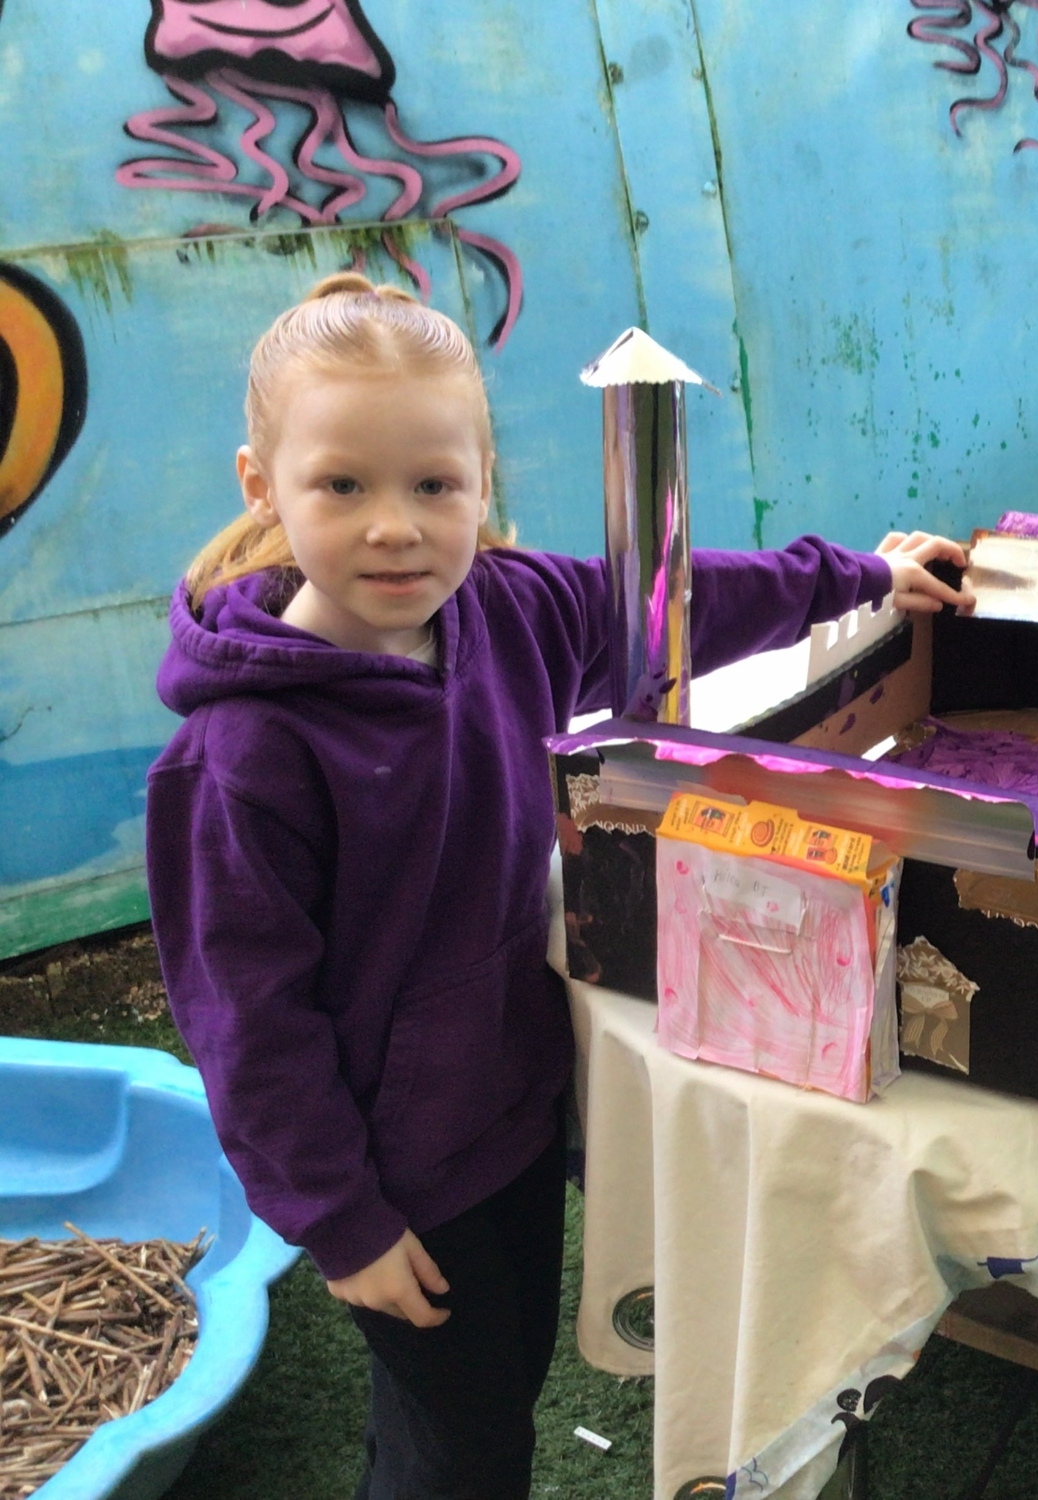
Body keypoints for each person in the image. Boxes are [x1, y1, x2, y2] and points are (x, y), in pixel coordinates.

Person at [145, 273, 972, 1499]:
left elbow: (682, 597)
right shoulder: (241, 756)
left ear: (484, 482)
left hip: (513, 1114)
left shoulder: (504, 607)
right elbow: (246, 1025)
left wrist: (855, 577)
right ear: (261, 486)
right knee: (467, 1446)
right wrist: (342, 1221)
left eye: (434, 485)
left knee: (484, 1392)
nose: (395, 527)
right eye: (342, 486)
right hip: (399, 1173)